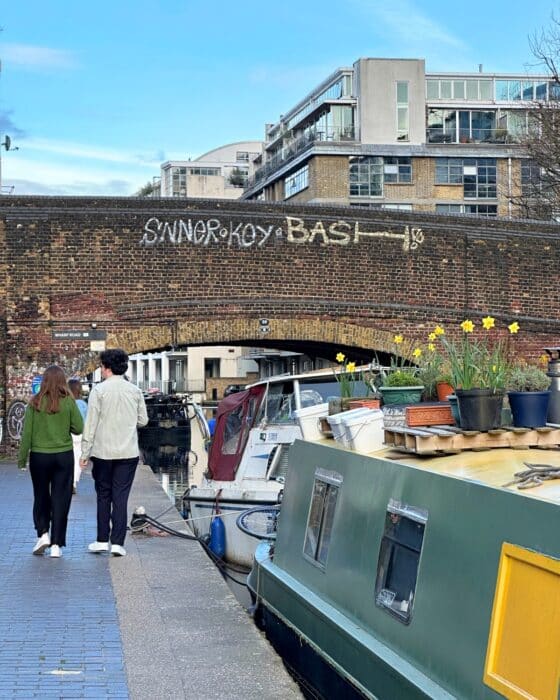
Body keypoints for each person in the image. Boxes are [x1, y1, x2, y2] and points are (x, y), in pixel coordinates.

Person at [80, 348, 148, 557]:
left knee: (103, 495)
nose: (101, 370)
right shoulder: (135, 391)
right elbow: (143, 420)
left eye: (101, 366)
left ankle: (102, 540)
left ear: (107, 367)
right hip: (127, 452)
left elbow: (91, 424)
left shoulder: (98, 391)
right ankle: (118, 543)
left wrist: (84, 453)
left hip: (103, 452)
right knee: (121, 497)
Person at [17, 365, 84, 558]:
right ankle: (56, 544)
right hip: (63, 456)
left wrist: (22, 459)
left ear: (44, 381)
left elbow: (27, 434)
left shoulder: (35, 402)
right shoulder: (69, 401)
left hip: (39, 456)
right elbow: (79, 428)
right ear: (63, 381)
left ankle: (43, 533)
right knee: (61, 498)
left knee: (41, 495)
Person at [68, 378, 88, 494]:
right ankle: (74, 482)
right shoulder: (83, 404)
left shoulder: (66, 403)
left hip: (68, 434)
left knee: (69, 459)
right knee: (78, 459)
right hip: (80, 435)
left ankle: (68, 481)